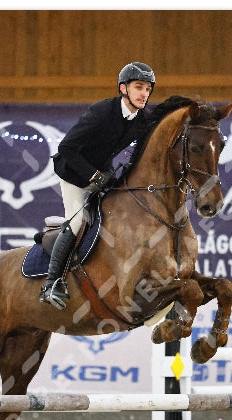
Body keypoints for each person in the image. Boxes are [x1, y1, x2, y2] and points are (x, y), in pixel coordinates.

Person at [39, 62, 156, 309]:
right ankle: (51, 284)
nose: (144, 93)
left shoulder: (141, 120)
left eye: (148, 88)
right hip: (73, 172)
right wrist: (94, 177)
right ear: (123, 88)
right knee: (79, 221)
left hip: (102, 173)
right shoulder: (102, 112)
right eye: (138, 87)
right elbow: (66, 149)